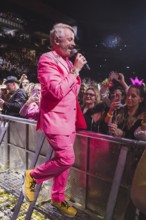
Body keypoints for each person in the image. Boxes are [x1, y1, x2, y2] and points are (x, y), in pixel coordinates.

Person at [22, 23, 87, 217]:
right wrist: (75, 70)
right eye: (70, 39)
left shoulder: (66, 62)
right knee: (67, 159)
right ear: (57, 41)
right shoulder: (46, 60)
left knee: (63, 164)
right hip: (55, 120)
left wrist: (73, 70)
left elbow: (72, 92)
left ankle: (58, 198)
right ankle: (32, 176)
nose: (73, 44)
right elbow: (57, 90)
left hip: (69, 120)